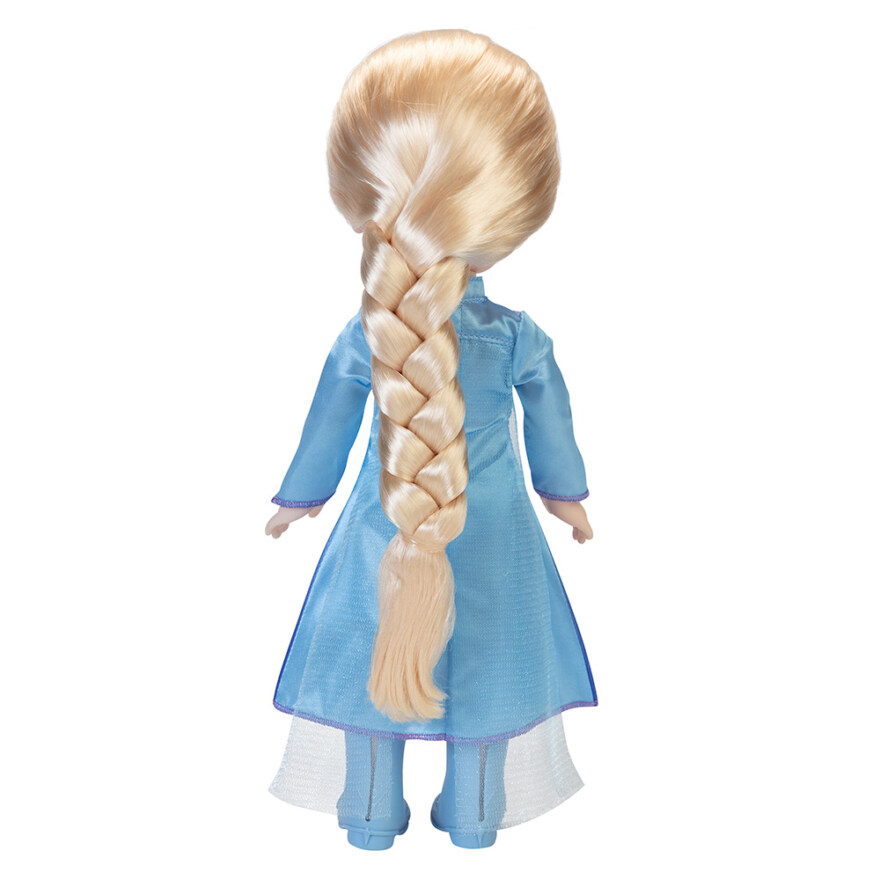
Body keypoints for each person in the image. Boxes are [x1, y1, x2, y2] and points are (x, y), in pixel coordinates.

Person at [265, 29, 597, 850]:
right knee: (491, 665)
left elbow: (327, 425)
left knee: (372, 652)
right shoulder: (517, 339)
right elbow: (552, 423)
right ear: (519, 203)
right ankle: (476, 818)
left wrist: (300, 499)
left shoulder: (366, 335)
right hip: (495, 532)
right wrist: (567, 498)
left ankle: (370, 813)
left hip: (384, 522)